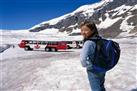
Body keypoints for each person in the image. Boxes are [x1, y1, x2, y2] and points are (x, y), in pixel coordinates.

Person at [80, 20, 106, 91]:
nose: (83, 32)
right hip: (102, 67)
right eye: (82, 30)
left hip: (93, 70)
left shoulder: (88, 43)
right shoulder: (99, 39)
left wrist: (90, 66)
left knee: (96, 89)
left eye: (86, 30)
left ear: (92, 30)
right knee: (101, 86)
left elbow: (83, 60)